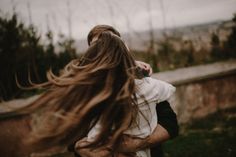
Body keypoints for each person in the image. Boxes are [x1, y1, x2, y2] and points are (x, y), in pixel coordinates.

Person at [16, 24, 177, 157]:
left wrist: (137, 143)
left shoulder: (143, 79)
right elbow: (74, 138)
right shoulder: (82, 87)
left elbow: (170, 123)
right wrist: (88, 148)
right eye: (98, 45)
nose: (105, 48)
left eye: (110, 43)